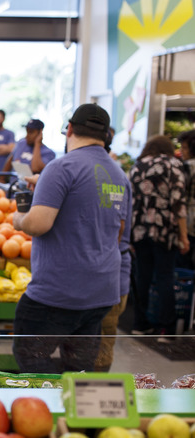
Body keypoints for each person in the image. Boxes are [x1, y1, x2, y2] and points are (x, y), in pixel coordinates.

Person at [11, 103, 129, 373]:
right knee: (78, 368)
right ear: (105, 137)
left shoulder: (61, 167)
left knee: (31, 357)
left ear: (71, 129)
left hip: (58, 291)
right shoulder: (119, 176)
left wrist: (19, 220)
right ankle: (72, 409)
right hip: (101, 293)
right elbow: (120, 232)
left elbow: (39, 224)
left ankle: (49, 407)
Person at [129, 135, 189, 342]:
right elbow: (178, 202)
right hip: (165, 231)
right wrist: (183, 236)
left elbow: (131, 202)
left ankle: (140, 324)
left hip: (139, 230)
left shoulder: (138, 166)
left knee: (142, 277)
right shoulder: (174, 165)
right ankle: (167, 329)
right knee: (164, 277)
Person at [95, 128, 132, 372]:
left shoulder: (109, 177)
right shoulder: (118, 176)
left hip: (106, 276)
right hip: (114, 274)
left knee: (100, 345)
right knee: (102, 343)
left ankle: (92, 401)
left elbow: (116, 231)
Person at [178, 129, 195, 269]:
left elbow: (180, 196)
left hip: (189, 222)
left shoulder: (188, 167)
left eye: (184, 147)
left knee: (184, 266)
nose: (181, 151)